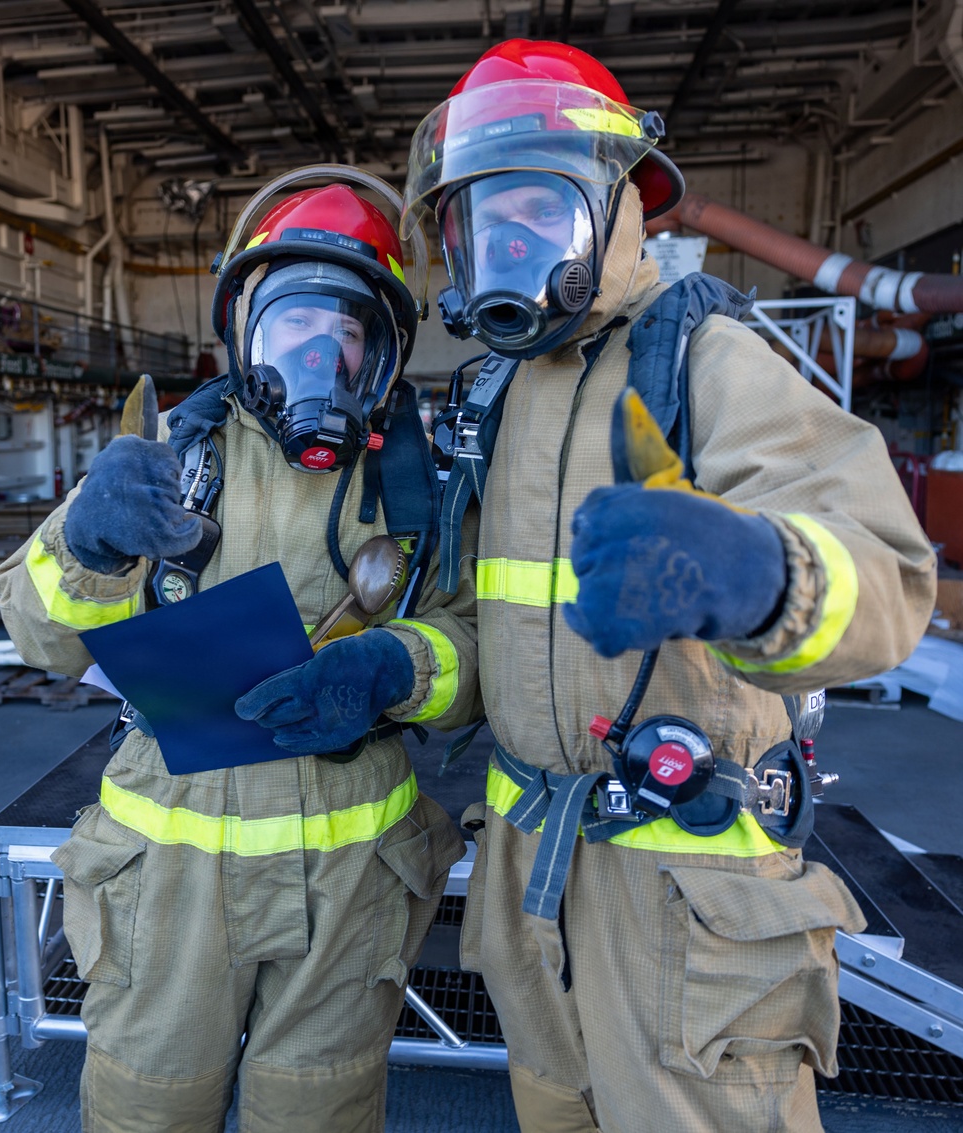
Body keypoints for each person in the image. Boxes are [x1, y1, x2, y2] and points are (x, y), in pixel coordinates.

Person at [400, 39, 937, 1133]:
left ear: (616, 207)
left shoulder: (707, 360)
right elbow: (477, 620)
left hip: (691, 921)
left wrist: (757, 577)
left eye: (540, 215)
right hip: (529, 901)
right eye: (482, 226)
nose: (510, 249)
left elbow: (887, 576)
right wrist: (407, 663)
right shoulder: (491, 402)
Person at [0, 171, 480, 1133]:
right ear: (244, 328)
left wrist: (400, 668)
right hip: (166, 879)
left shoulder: (422, 485)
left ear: (384, 348)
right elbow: (35, 628)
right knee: (147, 1110)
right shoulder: (171, 451)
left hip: (352, 878)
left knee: (320, 1113)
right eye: (293, 319)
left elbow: (479, 645)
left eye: (348, 328)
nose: (320, 349)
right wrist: (89, 542)